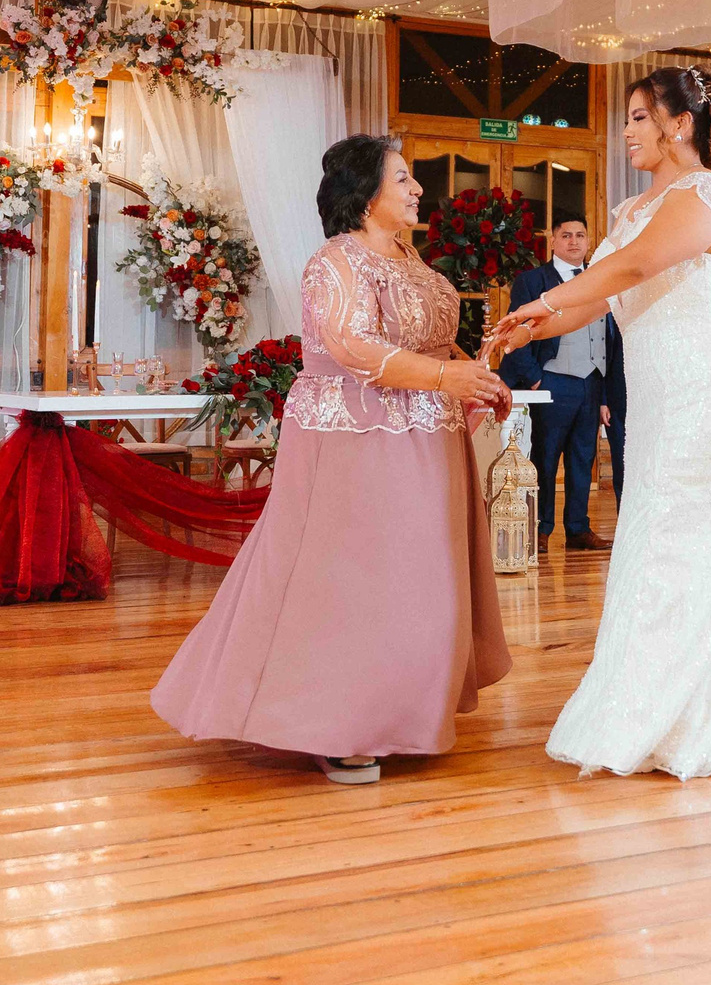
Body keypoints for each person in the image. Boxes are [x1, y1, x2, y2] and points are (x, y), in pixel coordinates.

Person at [487, 63, 711, 780]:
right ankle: (658, 709)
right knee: (652, 532)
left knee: (690, 535)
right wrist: (530, 326)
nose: (626, 131)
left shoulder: (704, 192)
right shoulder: (630, 209)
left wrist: (545, 302)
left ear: (679, 124)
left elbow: (633, 270)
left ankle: (701, 714)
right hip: (659, 393)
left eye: (637, 117)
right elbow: (599, 299)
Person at [151, 135, 512, 786]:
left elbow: (432, 342)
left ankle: (402, 711)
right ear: (365, 194)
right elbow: (348, 343)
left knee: (423, 578)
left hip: (429, 433)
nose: (417, 189)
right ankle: (334, 724)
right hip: (357, 437)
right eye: (402, 179)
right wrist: (445, 377)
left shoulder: (412, 259)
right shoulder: (335, 260)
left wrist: (477, 375)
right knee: (353, 580)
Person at [500, 216, 623, 551]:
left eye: (580, 235)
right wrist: (535, 378)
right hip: (552, 381)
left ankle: (578, 529)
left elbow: (610, 340)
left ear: (588, 241)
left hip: (591, 383)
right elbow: (516, 332)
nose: (574, 241)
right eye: (566, 235)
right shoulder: (533, 280)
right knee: (545, 457)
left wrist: (604, 394)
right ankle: (541, 529)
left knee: (583, 459)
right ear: (552, 241)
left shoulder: (601, 280)